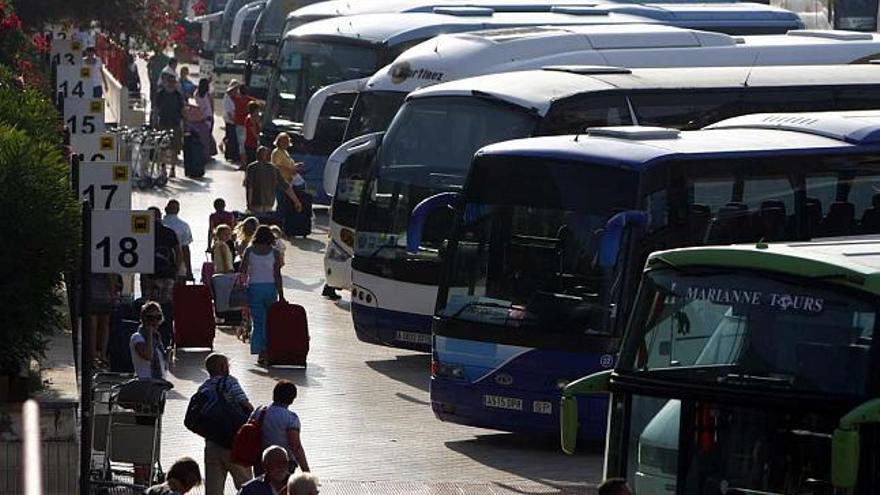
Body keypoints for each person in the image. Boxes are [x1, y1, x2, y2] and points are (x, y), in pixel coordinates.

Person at [199, 354, 254, 495]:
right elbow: (245, 404)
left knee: (213, 491)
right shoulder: (229, 382)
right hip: (234, 444)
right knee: (247, 486)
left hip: (212, 444)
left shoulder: (204, 387)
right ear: (223, 367)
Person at [240, 226, 285, 364]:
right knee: (270, 321)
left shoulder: (250, 251)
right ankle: (269, 349)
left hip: (254, 288)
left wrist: (243, 287)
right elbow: (277, 275)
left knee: (258, 322)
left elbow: (242, 270)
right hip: (271, 289)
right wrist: (281, 294)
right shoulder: (275, 253)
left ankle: (261, 352)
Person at [141, 207, 181, 348]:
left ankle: (149, 335)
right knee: (166, 306)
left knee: (149, 307)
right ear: (160, 216)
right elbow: (178, 251)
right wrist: (176, 270)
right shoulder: (169, 232)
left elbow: (140, 253)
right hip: (167, 275)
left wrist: (143, 274)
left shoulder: (144, 231)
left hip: (150, 275)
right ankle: (166, 335)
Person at [251, 381, 310, 474]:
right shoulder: (291, 418)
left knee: (263, 487)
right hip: (284, 463)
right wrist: (306, 471)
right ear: (292, 399)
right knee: (282, 488)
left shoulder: (259, 411)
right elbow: (296, 446)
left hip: (261, 460)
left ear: (274, 394)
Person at [245, 146, 302, 215]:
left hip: (255, 203)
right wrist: (296, 201)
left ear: (257, 155)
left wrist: (249, 204)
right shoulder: (274, 169)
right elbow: (286, 186)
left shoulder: (251, 167)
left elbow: (250, 187)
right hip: (269, 203)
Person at [270, 133, 306, 237]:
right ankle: (277, 227)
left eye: (287, 142)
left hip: (288, 180)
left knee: (285, 205)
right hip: (281, 181)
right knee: (281, 205)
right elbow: (278, 167)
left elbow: (287, 165)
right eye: (283, 141)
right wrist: (291, 169)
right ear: (278, 142)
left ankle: (282, 227)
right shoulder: (277, 153)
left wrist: (295, 166)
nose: (286, 144)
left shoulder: (285, 152)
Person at [153, 72, 185, 178]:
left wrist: (185, 123)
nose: (171, 84)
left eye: (173, 82)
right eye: (169, 82)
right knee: (162, 147)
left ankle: (172, 169)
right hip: (163, 123)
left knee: (174, 148)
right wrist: (154, 121)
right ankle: (163, 168)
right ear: (166, 83)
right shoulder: (160, 94)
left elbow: (182, 110)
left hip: (175, 124)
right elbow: (156, 109)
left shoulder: (178, 95)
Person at [129, 301, 168, 381]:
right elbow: (148, 356)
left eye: (158, 317)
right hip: (145, 383)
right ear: (144, 319)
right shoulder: (137, 337)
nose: (155, 321)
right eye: (151, 318)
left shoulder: (157, 338)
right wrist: (149, 333)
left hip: (158, 383)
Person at [89, 273, 121, 368]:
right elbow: (111, 276)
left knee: (94, 327)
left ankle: (94, 356)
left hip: (93, 292)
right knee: (102, 326)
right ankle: (101, 356)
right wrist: (113, 294)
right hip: (104, 294)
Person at [163, 199, 194, 282]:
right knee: (179, 292)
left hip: (159, 262)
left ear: (165, 209)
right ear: (178, 210)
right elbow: (185, 249)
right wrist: (189, 270)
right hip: (179, 263)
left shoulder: (159, 224)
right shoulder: (184, 226)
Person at [232, 85, 255, 168]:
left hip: (239, 124)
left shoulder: (237, 100)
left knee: (241, 145)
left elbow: (229, 93)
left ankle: (243, 163)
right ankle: (247, 162)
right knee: (247, 143)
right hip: (248, 124)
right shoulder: (251, 100)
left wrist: (235, 87)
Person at [223, 80, 241, 163]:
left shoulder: (236, 97)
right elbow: (228, 111)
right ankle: (230, 155)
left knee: (234, 139)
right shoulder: (227, 98)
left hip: (235, 121)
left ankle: (234, 155)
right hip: (230, 121)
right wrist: (233, 119)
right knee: (230, 138)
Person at [244, 100, 261, 165]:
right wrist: (259, 139)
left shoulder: (256, 119)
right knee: (250, 161)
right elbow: (254, 132)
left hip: (254, 143)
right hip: (250, 143)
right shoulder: (249, 119)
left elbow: (260, 128)